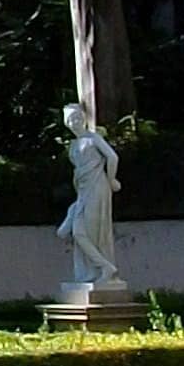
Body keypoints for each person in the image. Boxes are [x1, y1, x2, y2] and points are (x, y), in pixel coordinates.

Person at [58, 101, 124, 291]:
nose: (74, 122)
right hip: (83, 190)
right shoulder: (73, 146)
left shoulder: (93, 139)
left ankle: (104, 269)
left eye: (77, 118)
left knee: (91, 231)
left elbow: (112, 157)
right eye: (70, 119)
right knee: (77, 231)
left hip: (97, 187)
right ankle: (102, 268)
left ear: (84, 119)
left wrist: (111, 180)